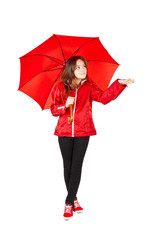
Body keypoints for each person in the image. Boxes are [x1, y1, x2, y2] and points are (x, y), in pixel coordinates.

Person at [50, 56, 135, 220]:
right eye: (78, 67)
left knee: (77, 166)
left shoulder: (89, 86)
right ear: (70, 70)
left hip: (84, 131)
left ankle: (68, 202)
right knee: (67, 166)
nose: (83, 70)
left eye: (84, 66)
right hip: (64, 132)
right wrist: (65, 105)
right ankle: (74, 199)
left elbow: (104, 98)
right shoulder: (60, 87)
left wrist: (120, 84)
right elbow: (54, 110)